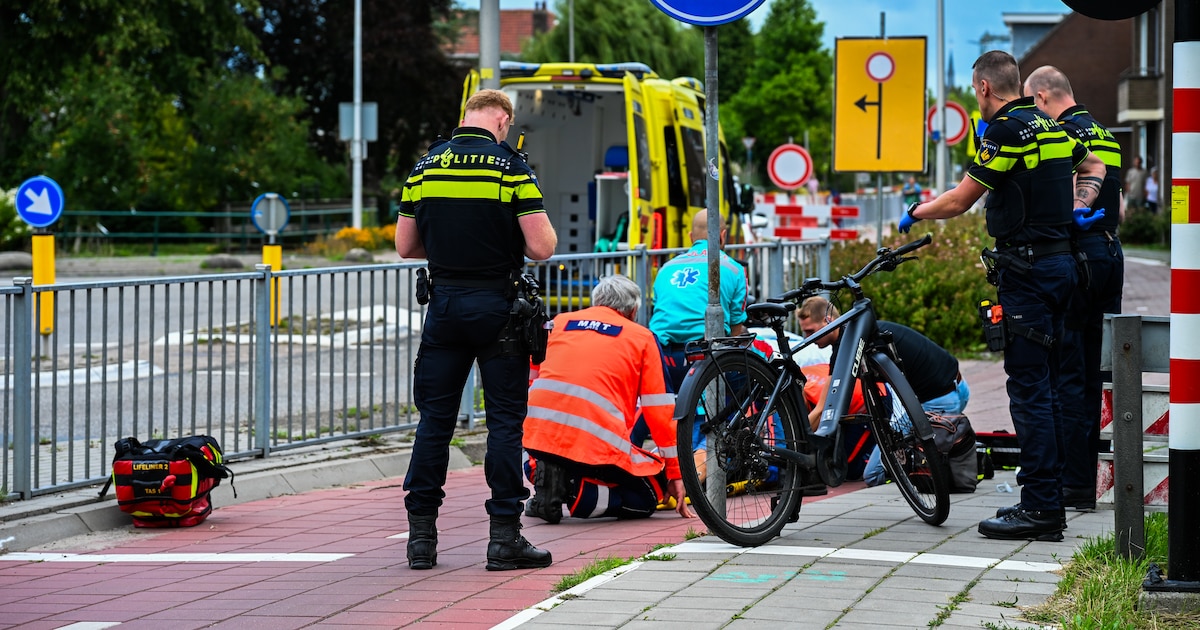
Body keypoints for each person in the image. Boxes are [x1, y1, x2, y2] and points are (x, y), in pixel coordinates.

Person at [900, 50, 1106, 542]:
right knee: (1051, 387)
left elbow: (961, 200)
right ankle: (1047, 497)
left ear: (984, 88)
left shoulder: (1006, 132)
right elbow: (1094, 164)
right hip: (1062, 267)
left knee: (1030, 390)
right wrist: (1080, 203)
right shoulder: (1053, 126)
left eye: (976, 90)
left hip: (1028, 274)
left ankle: (1040, 509)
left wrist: (917, 210)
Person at [394, 89, 558, 571]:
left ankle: (421, 540)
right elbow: (542, 247)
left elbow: (405, 246)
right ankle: (504, 539)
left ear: (465, 116)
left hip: (444, 306)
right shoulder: (511, 168)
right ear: (502, 120)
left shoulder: (425, 168)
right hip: (498, 307)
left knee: (434, 423)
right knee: (504, 423)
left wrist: (452, 247)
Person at [1024, 65, 1126, 512]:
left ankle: (1074, 483)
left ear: (1042, 97)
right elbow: (1118, 205)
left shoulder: (1060, 135)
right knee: (1097, 371)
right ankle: (1092, 477)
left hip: (1078, 257)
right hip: (1110, 254)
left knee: (1067, 370)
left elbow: (1064, 197)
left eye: (1031, 102)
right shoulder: (1105, 134)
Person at [522, 275, 692, 523]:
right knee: (646, 497)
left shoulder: (559, 322)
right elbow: (660, 412)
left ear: (596, 301)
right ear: (633, 311)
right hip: (594, 447)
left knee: (545, 457)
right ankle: (571, 488)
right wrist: (675, 473)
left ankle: (547, 481)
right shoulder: (642, 337)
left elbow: (529, 379)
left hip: (536, 442)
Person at [796, 297, 970, 487]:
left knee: (873, 475)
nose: (807, 339)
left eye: (810, 331)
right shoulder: (859, 333)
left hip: (939, 400)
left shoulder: (850, 343)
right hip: (956, 385)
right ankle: (956, 449)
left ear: (828, 320)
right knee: (900, 440)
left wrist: (794, 444)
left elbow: (823, 408)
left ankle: (946, 458)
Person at [648, 210, 749, 393]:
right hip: (704, 357)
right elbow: (735, 329)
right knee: (752, 374)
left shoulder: (666, 269)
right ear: (723, 235)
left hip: (661, 358)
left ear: (690, 237)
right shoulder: (734, 269)